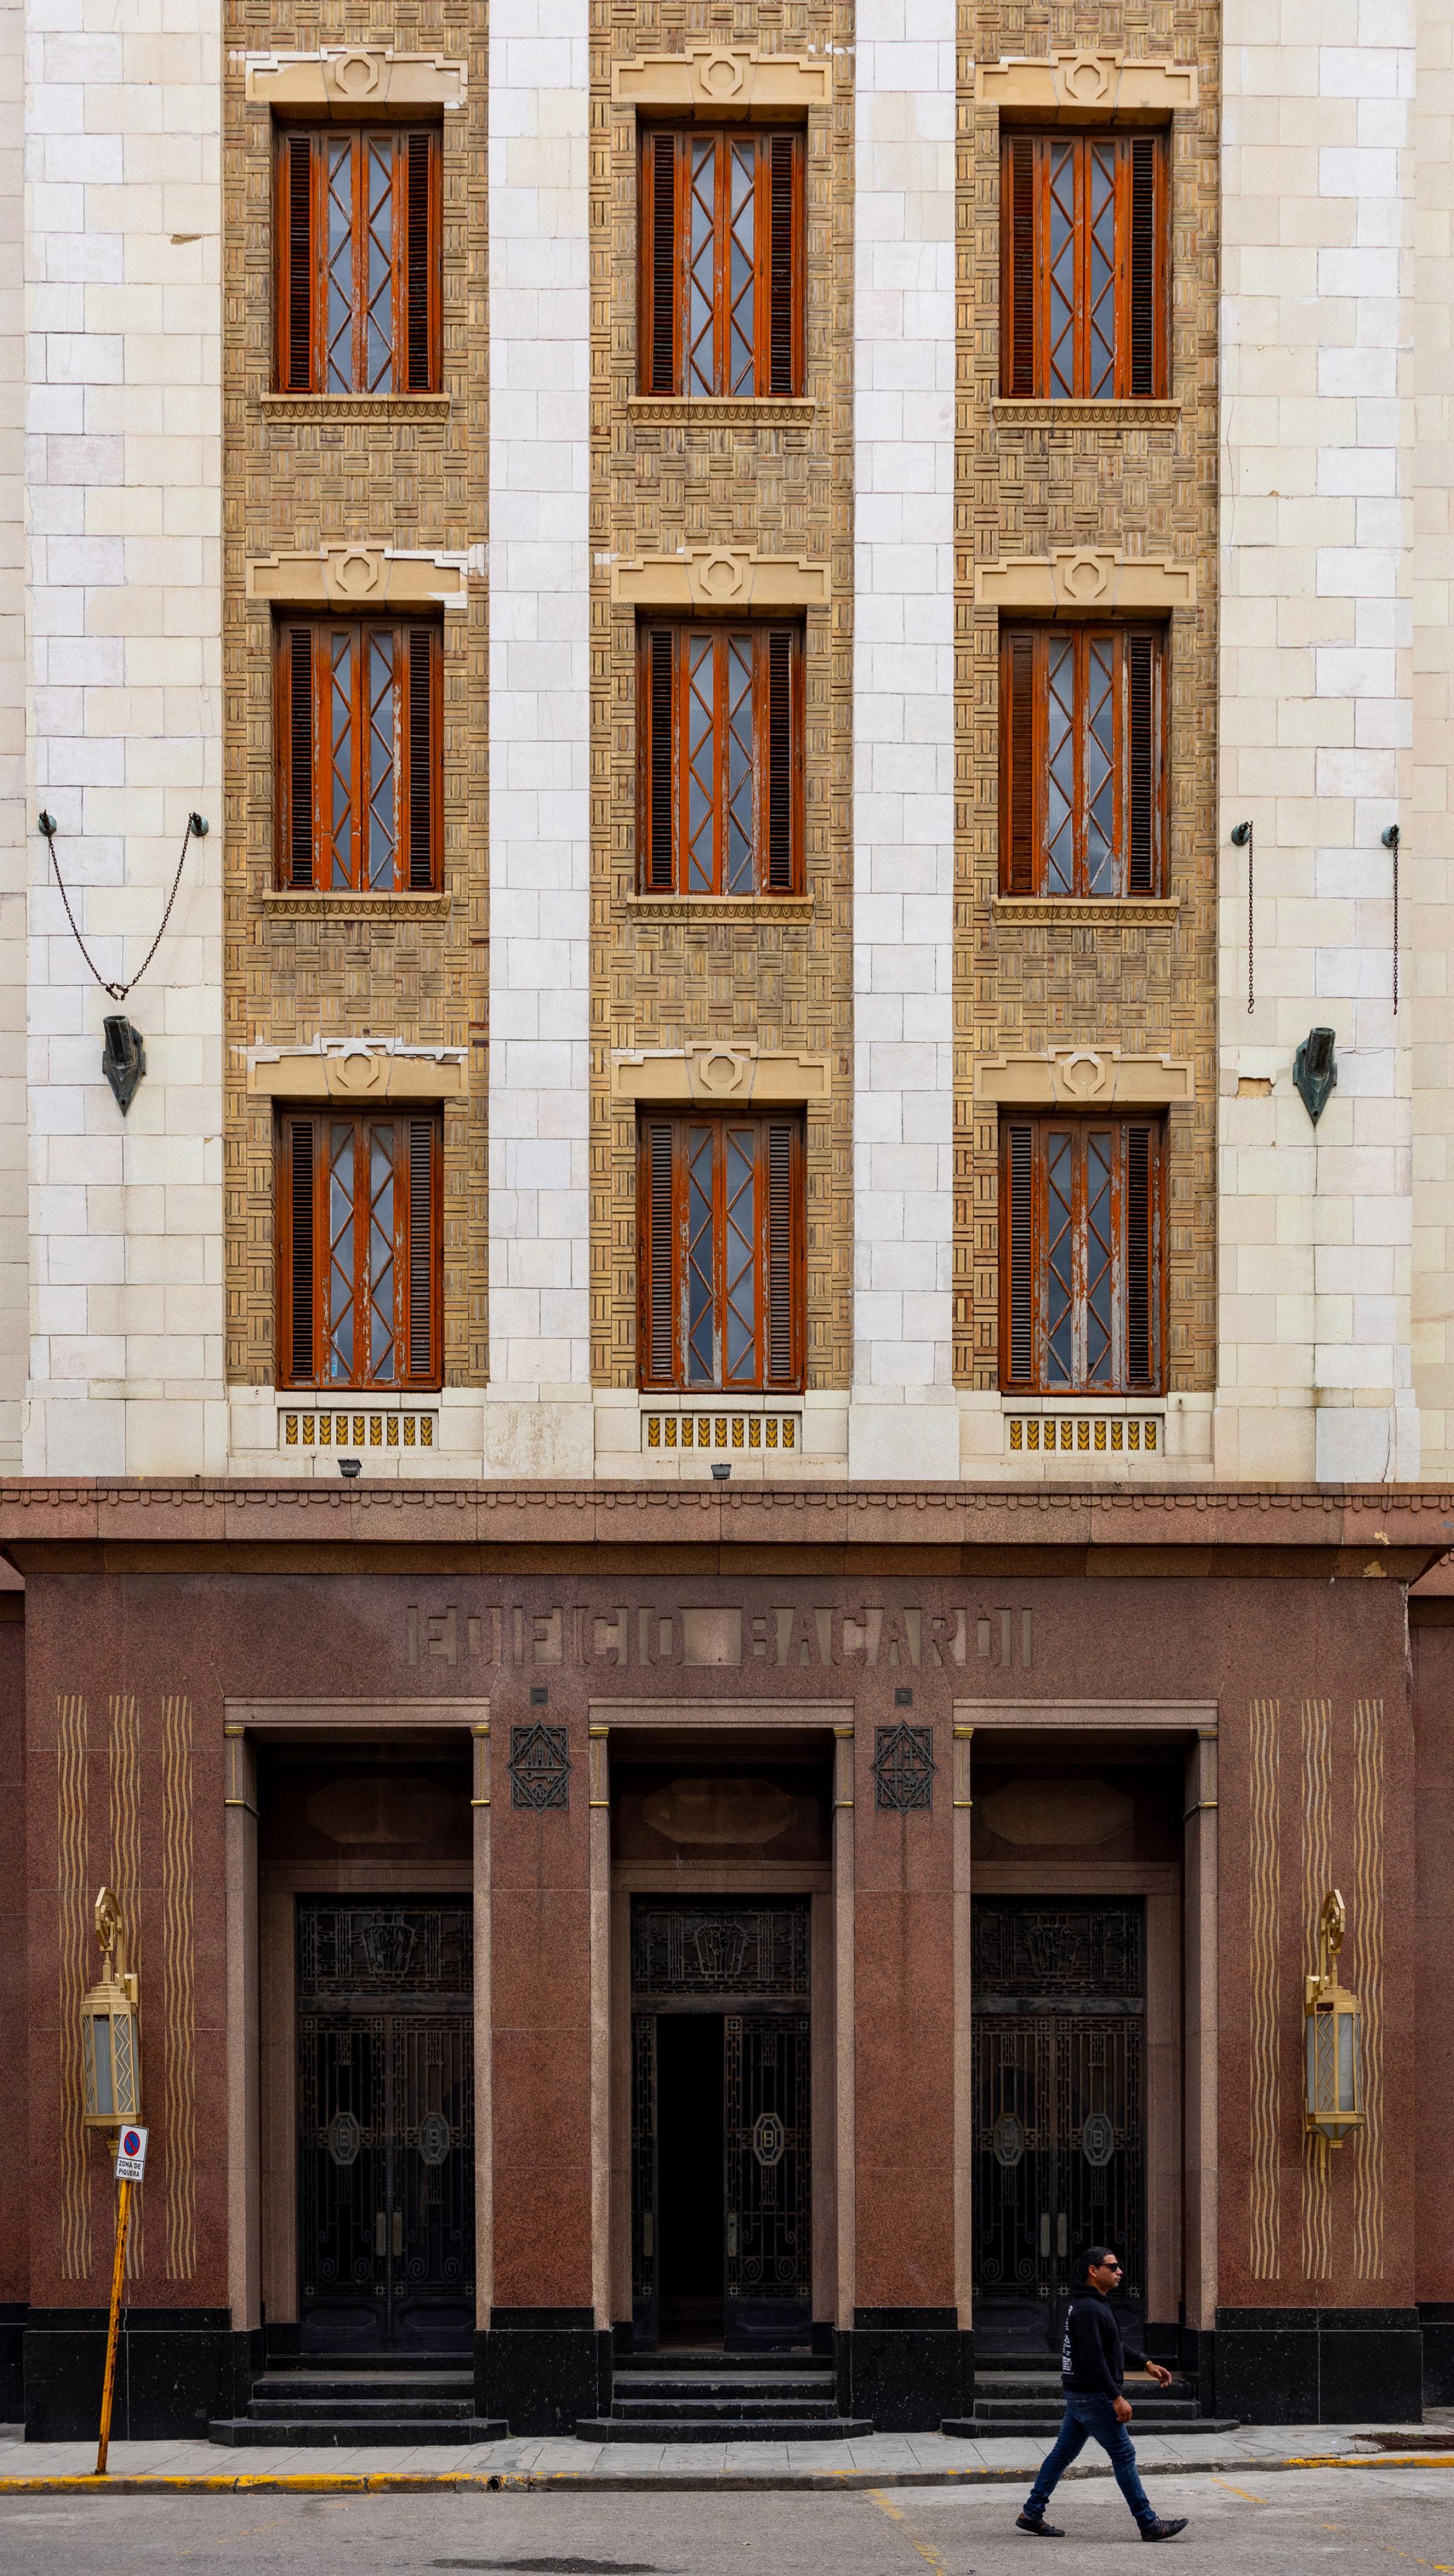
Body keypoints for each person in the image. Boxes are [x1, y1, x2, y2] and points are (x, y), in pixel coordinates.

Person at [1015, 2246, 1189, 2543]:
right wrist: (1115, 2396)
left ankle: (1031, 2513)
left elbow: (1113, 2346)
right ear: (1093, 2271)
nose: (1120, 2271)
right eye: (1113, 2267)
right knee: (1123, 2454)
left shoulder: (1094, 2303)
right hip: (1093, 2395)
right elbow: (1094, 2357)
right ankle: (1149, 2524)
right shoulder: (1089, 2309)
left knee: (1062, 2455)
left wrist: (1146, 2364)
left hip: (1081, 2394)